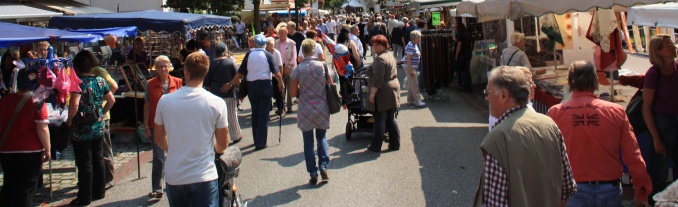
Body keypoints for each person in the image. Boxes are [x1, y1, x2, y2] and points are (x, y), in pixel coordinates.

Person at [548, 60, 652, 207]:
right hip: (609, 189)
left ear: (569, 82)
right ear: (595, 80)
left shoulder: (556, 113)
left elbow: (548, 157)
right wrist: (641, 189)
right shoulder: (616, 111)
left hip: (574, 189)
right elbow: (633, 154)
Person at [475, 66, 576, 206]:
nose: (486, 98)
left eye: (487, 92)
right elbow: (567, 188)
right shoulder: (550, 126)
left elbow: (495, 203)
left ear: (504, 95)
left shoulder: (497, 138)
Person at [154, 52, 229, 207]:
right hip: (204, 174)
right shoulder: (217, 103)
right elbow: (223, 144)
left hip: (175, 175)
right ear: (205, 72)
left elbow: (159, 138)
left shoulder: (165, 101)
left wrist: (173, 147)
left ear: (185, 71)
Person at [67, 50, 116, 206]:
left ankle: (85, 196)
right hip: (98, 126)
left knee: (85, 163)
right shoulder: (100, 81)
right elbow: (111, 100)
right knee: (98, 159)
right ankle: (99, 191)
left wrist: (69, 120)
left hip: (82, 128)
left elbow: (74, 104)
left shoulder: (78, 82)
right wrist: (102, 112)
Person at [0, 68, 50, 207]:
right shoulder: (38, 102)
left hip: (7, 149)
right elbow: (42, 128)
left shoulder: (4, 100)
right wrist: (47, 149)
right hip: (30, 150)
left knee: (9, 184)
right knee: (26, 188)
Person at [227, 35, 284, 150]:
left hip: (252, 85)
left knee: (255, 112)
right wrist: (280, 83)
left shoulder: (249, 55)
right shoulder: (267, 55)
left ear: (255, 44)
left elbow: (240, 72)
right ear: (265, 44)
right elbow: (276, 72)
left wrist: (231, 83)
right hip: (265, 85)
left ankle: (256, 139)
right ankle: (260, 142)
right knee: (263, 114)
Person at [642, 34, 678, 204]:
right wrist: (656, 138)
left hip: (675, 121)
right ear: (659, 52)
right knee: (659, 174)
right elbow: (646, 108)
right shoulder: (654, 73)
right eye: (668, 45)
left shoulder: (676, 68)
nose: (673, 46)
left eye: (672, 43)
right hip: (661, 124)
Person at [290, 39, 332, 185]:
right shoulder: (323, 66)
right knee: (322, 137)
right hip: (321, 106)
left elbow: (293, 93)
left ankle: (312, 172)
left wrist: (304, 89)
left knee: (308, 141)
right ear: (314, 50)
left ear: (303, 51)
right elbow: (331, 85)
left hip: (306, 108)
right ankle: (323, 166)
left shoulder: (298, 69)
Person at [142, 55, 183, 199]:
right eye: (160, 66)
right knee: (159, 156)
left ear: (170, 67)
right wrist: (146, 125)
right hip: (156, 125)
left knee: (175, 153)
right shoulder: (150, 84)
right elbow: (147, 105)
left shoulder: (178, 82)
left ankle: (177, 182)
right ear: (156, 69)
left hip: (174, 124)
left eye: (165, 66)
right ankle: (157, 187)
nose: (163, 69)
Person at [366, 35, 401, 152]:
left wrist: (372, 93)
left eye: (375, 45)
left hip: (383, 91)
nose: (373, 47)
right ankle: (395, 144)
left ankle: (376, 146)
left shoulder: (380, 59)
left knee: (380, 119)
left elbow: (378, 80)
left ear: (381, 45)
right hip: (392, 88)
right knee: (390, 118)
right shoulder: (389, 54)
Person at [204, 43, 243, 145]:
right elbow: (237, 78)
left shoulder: (211, 64)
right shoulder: (230, 63)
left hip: (215, 94)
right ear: (225, 51)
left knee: (217, 117)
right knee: (232, 115)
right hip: (229, 93)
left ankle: (219, 138)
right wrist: (238, 90)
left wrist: (212, 91)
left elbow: (207, 82)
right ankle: (236, 135)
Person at [91, 65, 118, 189]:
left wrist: (102, 100)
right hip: (91, 116)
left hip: (102, 115)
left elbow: (113, 86)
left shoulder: (98, 70)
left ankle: (109, 177)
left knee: (105, 148)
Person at [275, 27, 298, 112]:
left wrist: (289, 67)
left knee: (289, 88)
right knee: (281, 87)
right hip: (279, 68)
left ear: (286, 33)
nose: (280, 35)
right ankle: (281, 107)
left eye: (282, 33)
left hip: (289, 67)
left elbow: (294, 56)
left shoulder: (292, 43)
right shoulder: (276, 43)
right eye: (279, 33)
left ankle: (289, 106)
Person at [405, 30, 425, 107]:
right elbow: (408, 59)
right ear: (414, 38)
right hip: (411, 67)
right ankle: (417, 100)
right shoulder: (411, 46)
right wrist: (410, 70)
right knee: (415, 83)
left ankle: (410, 100)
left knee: (412, 83)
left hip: (413, 66)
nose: (419, 39)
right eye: (419, 38)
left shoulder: (413, 44)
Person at [266, 37, 285, 116]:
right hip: (267, 76)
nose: (272, 46)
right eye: (269, 45)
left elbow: (280, 66)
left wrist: (280, 78)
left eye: (271, 45)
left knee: (278, 94)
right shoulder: (265, 52)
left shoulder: (276, 52)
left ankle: (281, 109)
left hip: (276, 76)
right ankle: (268, 111)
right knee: (268, 95)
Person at [455, 20, 474, 92]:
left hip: (462, 55)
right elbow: (471, 44)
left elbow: (459, 45)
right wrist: (470, 50)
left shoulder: (460, 34)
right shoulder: (468, 34)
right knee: (467, 71)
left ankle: (465, 87)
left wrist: (456, 55)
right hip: (468, 54)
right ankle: (469, 86)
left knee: (463, 72)